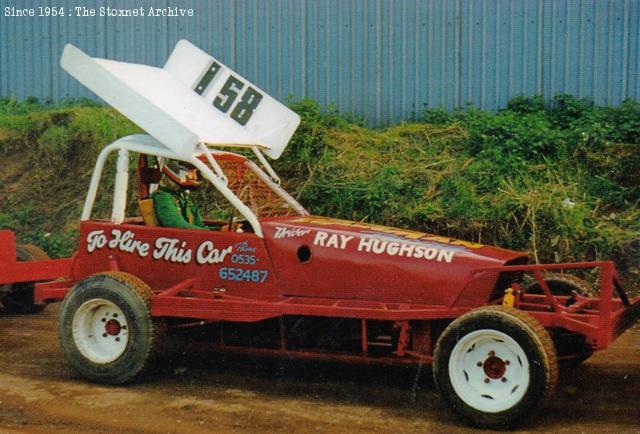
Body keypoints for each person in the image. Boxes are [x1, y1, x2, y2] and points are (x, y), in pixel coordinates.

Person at [151, 164, 208, 230]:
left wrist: (218, 230)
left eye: (195, 173)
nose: (195, 177)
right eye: (191, 172)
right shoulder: (163, 197)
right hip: (174, 237)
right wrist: (209, 232)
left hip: (188, 236)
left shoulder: (186, 197)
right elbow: (175, 224)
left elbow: (198, 224)